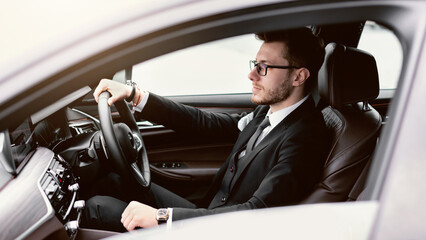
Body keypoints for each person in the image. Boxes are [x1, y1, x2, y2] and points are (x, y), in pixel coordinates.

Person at [83, 27, 329, 232]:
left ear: (299, 77)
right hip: (210, 214)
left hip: (220, 231)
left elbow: (258, 213)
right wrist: (135, 95)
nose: (251, 75)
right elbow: (204, 123)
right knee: (113, 181)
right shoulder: (267, 111)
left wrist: (163, 218)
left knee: (97, 207)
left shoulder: (307, 136)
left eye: (264, 67)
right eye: (255, 63)